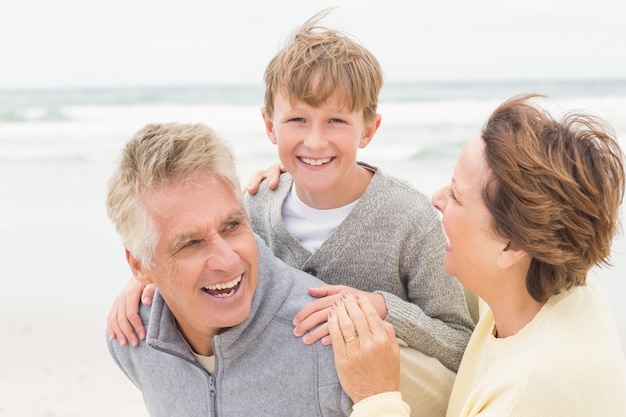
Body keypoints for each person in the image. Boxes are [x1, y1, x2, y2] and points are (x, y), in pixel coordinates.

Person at [108, 10, 475, 417]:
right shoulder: (258, 204)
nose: (314, 142)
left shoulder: (410, 219)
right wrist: (143, 280)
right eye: (297, 120)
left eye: (335, 120)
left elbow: (461, 344)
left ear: (369, 129)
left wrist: (383, 307)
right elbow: (199, 245)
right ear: (270, 126)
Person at [327, 93, 626, 416]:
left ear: (511, 245)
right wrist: (302, 183)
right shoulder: (548, 281)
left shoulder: (528, 392)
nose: (437, 199)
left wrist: (376, 395)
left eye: (456, 195)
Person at [105, 122, 353, 416]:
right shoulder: (132, 339)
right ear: (140, 265)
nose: (228, 261)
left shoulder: (331, 340)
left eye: (232, 225)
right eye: (191, 243)